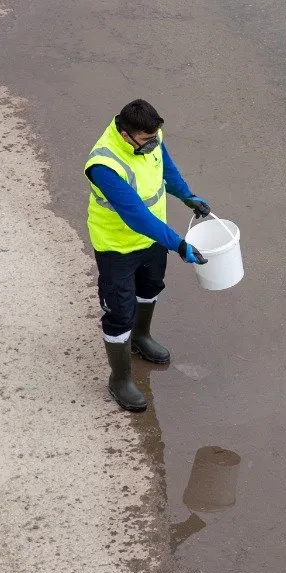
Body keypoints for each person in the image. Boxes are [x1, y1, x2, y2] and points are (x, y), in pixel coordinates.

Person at [85, 99, 214, 412]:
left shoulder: (151, 136)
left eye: (156, 136)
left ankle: (141, 336)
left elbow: (166, 167)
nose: (154, 143)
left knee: (150, 288)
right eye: (146, 140)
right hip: (117, 246)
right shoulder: (104, 166)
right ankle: (119, 378)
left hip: (153, 239)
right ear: (127, 134)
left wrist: (187, 195)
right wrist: (179, 244)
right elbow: (135, 216)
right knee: (119, 312)